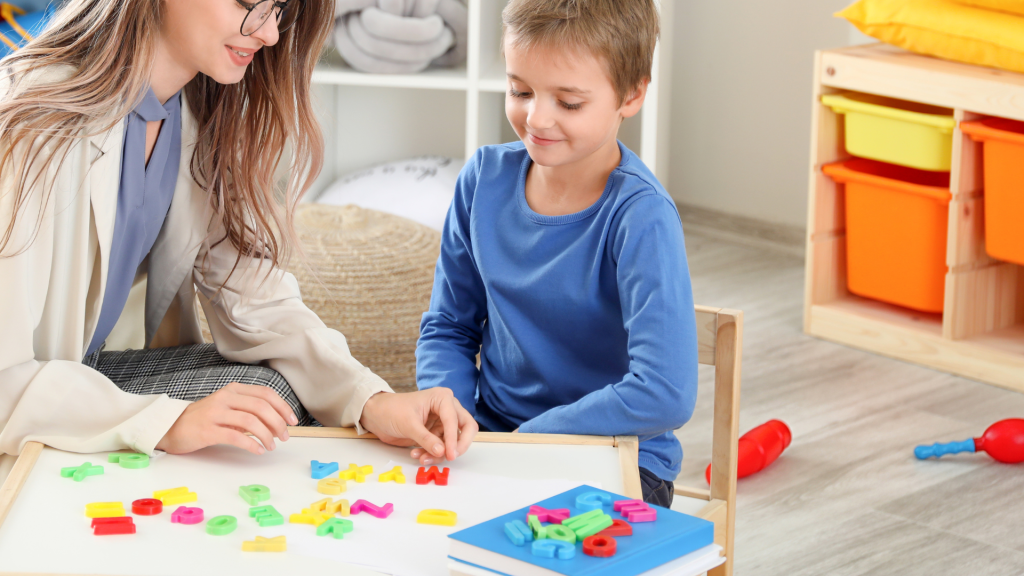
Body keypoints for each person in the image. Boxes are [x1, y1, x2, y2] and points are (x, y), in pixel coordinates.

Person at [0, 0, 477, 463]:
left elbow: (252, 298)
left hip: (83, 375)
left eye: (277, 9)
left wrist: (371, 401)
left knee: (278, 391)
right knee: (262, 403)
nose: (269, 33)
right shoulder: (27, 123)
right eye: (248, 3)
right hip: (26, 396)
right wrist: (169, 422)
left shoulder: (196, 109)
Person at [415, 0, 696, 507]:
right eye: (520, 90)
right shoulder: (482, 180)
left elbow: (664, 391)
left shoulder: (641, 217)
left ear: (631, 95)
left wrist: (534, 440)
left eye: (568, 103)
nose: (536, 118)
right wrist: (452, 410)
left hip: (618, 456)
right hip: (495, 439)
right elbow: (449, 327)